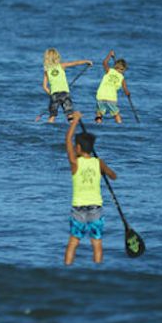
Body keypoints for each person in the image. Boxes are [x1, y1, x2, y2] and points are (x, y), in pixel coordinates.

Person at [64, 111, 116, 265]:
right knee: (97, 243)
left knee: (73, 242)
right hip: (95, 208)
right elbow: (113, 176)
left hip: (78, 208)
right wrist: (104, 170)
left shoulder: (75, 163)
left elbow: (67, 140)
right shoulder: (98, 162)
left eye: (75, 146)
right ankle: (97, 271)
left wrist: (75, 121)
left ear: (78, 148)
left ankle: (67, 268)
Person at [42, 48, 92, 123]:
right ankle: (72, 128)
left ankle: (48, 131)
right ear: (57, 57)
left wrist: (51, 94)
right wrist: (86, 61)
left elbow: (44, 87)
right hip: (64, 93)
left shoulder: (46, 70)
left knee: (52, 116)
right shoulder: (62, 65)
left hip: (54, 94)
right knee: (69, 114)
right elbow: (75, 63)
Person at [95, 50, 131, 124]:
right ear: (123, 69)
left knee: (99, 113)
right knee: (116, 113)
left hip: (101, 96)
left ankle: (98, 124)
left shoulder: (109, 71)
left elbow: (104, 63)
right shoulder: (122, 77)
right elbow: (126, 91)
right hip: (111, 98)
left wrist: (109, 55)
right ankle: (120, 124)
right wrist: (128, 94)